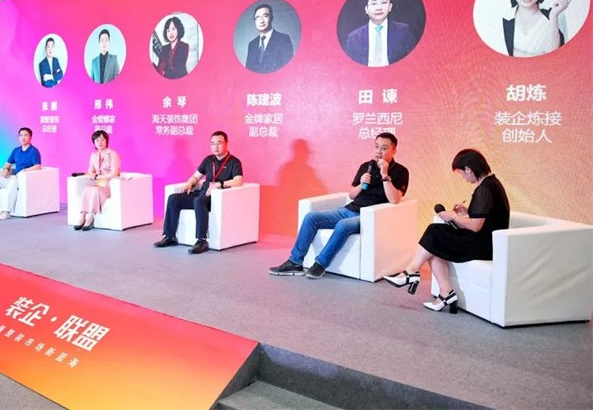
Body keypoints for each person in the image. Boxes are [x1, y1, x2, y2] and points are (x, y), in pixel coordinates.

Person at [384, 149, 510, 314]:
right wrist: (466, 212)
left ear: (468, 170)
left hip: (483, 245)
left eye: (461, 174)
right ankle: (444, 292)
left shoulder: (485, 189)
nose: (463, 178)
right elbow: (484, 218)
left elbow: (476, 226)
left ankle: (413, 272)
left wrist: (452, 217)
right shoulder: (491, 184)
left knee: (434, 234)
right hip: (483, 241)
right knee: (433, 238)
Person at [269, 133, 409, 279]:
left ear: (393, 151)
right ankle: (295, 262)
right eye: (376, 147)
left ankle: (320, 264)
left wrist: (385, 175)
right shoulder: (366, 166)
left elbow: (394, 199)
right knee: (311, 217)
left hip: (369, 217)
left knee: (343, 225)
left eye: (384, 148)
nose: (379, 151)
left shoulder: (401, 171)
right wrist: (361, 184)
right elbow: (352, 195)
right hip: (350, 209)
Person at [153, 131, 243, 255]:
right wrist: (189, 183)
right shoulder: (208, 160)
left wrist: (219, 185)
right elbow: (196, 176)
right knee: (174, 199)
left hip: (216, 198)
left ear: (226, 143)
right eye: (212, 144)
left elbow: (238, 181)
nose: (215, 147)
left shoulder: (234, 162)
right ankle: (170, 236)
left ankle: (202, 241)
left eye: (219, 143)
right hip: (202, 194)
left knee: (199, 200)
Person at [502, 0, 570, 57]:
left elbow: (554, 53)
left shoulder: (556, 14)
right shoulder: (504, 18)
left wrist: (553, 16)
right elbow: (501, 48)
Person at [0, 127, 42, 220]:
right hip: (14, 177)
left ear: (30, 137)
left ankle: (6, 211)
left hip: (23, 179)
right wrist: (6, 169)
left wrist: (24, 171)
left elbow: (37, 166)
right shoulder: (16, 150)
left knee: (12, 182)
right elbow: (7, 164)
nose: (23, 138)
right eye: (21, 135)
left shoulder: (33, 151)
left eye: (25, 135)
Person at [344, 0, 415, 67]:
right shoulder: (354, 37)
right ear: (366, 9)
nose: (379, 8)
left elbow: (413, 62)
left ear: (390, 7)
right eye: (374, 3)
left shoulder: (403, 31)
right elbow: (349, 66)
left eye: (383, 2)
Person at [74, 130, 121, 231]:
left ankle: (90, 217)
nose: (100, 142)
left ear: (106, 141)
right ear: (94, 142)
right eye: (97, 140)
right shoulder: (93, 155)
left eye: (102, 140)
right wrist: (92, 174)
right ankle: (82, 216)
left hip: (109, 185)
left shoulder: (113, 154)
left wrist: (97, 177)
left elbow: (114, 173)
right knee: (87, 189)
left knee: (95, 190)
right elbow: (90, 170)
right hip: (98, 184)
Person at [245, 4, 294, 73]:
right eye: (257, 17)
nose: (261, 21)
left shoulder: (283, 39)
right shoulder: (252, 44)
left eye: (265, 16)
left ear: (271, 18)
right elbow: (248, 71)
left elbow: (289, 68)